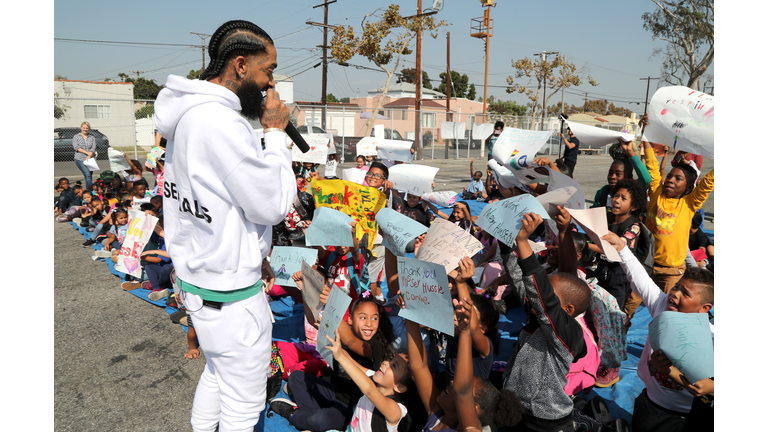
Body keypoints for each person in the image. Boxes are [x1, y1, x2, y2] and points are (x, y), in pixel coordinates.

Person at [154, 19, 296, 432]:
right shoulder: (220, 122)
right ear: (240, 65)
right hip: (231, 297)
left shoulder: (187, 114)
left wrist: (253, 248)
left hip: (199, 281)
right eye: (267, 71)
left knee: (216, 374)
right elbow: (271, 203)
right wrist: (274, 135)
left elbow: (218, 202)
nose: (271, 84)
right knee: (243, 402)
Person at [601, 231, 713, 432]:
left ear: (704, 308)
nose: (675, 294)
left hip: (683, 416)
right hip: (649, 403)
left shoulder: (712, 339)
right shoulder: (662, 306)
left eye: (685, 293)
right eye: (677, 287)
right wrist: (622, 249)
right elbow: (641, 281)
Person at [499, 212, 589, 432]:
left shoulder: (568, 333)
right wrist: (504, 239)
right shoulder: (536, 316)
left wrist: (522, 242)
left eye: (549, 292)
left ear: (568, 310)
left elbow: (542, 298)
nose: (538, 294)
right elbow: (520, 281)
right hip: (516, 408)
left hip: (545, 421)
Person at [72, 121, 97, 191]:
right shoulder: (76, 137)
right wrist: (87, 153)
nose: (85, 129)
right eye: (84, 128)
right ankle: (89, 191)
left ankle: (88, 189)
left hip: (90, 159)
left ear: (89, 129)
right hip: (80, 159)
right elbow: (76, 147)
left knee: (89, 175)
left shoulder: (92, 137)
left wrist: (90, 155)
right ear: (81, 128)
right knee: (87, 174)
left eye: (87, 128)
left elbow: (93, 147)